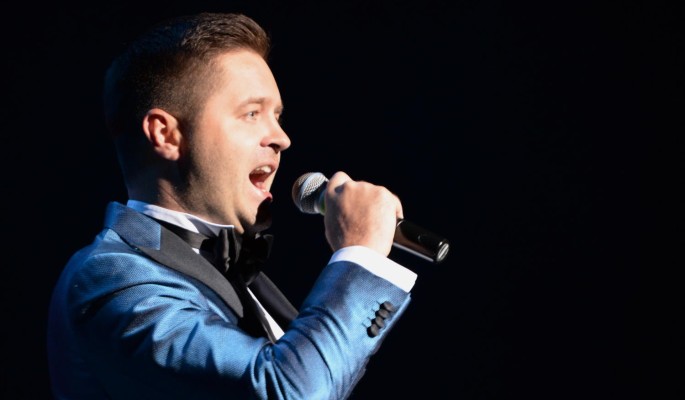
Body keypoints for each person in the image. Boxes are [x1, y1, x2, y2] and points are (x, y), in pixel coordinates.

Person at [47, 12, 417, 399]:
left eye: (277, 116)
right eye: (251, 113)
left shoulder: (238, 276)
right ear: (166, 134)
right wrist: (359, 255)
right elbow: (288, 391)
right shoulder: (110, 278)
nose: (282, 138)